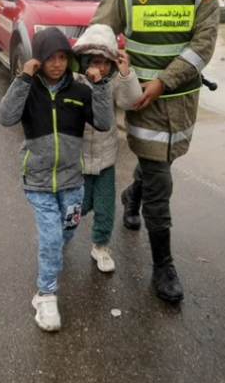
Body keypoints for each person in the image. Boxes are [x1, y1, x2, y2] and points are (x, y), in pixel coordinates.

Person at [88, 0, 220, 303]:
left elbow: (205, 42)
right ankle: (163, 265)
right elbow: (99, 31)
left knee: (163, 161)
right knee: (160, 180)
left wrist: (164, 81)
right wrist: (92, 73)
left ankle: (132, 195)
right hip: (140, 102)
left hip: (182, 101)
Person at [0, 27, 113, 331]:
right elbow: (5, 118)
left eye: (63, 57)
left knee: (67, 230)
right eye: (50, 58)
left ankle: (51, 256)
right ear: (39, 59)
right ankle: (46, 295)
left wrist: (100, 87)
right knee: (50, 238)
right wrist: (23, 78)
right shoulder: (28, 88)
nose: (58, 64)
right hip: (37, 181)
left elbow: (103, 122)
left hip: (72, 181)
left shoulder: (80, 91)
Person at [71, 24, 142, 272]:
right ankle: (60, 233)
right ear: (84, 59)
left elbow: (130, 103)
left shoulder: (113, 80)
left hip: (106, 157)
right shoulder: (74, 81)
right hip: (77, 159)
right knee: (79, 205)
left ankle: (100, 246)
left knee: (105, 206)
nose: (99, 67)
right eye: (94, 61)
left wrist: (126, 74)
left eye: (105, 62)